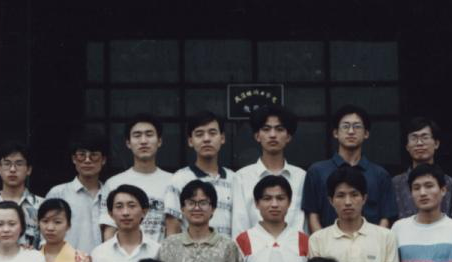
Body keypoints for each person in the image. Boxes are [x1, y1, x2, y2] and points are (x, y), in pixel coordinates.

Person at [302, 104, 398, 232]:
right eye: (345, 126)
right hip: (327, 243)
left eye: (357, 126)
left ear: (366, 133)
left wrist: (375, 241)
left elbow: (386, 217)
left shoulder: (380, 174)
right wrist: (322, 242)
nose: (351, 131)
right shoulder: (317, 172)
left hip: (371, 244)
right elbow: (312, 215)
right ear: (335, 133)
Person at [163, 110, 242, 238]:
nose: (206, 139)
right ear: (190, 141)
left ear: (222, 138)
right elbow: (172, 231)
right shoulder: (179, 179)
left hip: (227, 250)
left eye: (212, 133)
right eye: (199, 134)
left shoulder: (235, 179)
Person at [233, 104, 307, 235]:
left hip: (294, 247)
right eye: (266, 129)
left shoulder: (302, 177)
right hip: (253, 247)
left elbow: (304, 225)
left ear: (288, 137)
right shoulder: (241, 177)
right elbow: (240, 224)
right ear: (257, 136)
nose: (273, 135)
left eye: (279, 129)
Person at [100, 115, 173, 243]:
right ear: (128, 143)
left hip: (161, 254)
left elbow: (174, 229)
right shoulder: (113, 183)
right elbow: (109, 230)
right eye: (137, 135)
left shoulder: (173, 182)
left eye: (149, 135)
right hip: (123, 254)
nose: (143, 141)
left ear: (159, 141)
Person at [44, 131, 108, 254]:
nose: (87, 160)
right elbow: (44, 234)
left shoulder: (111, 194)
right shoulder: (58, 194)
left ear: (103, 160)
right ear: (74, 159)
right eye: (81, 155)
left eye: (94, 155)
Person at [391, 116, 452, 223]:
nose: (419, 143)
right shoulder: (395, 184)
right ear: (407, 146)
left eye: (425, 137)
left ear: (436, 144)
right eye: (414, 138)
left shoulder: (450, 184)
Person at [0, 142, 44, 248]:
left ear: (28, 169)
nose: (12, 169)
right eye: (7, 164)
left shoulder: (42, 205)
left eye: (19, 164)